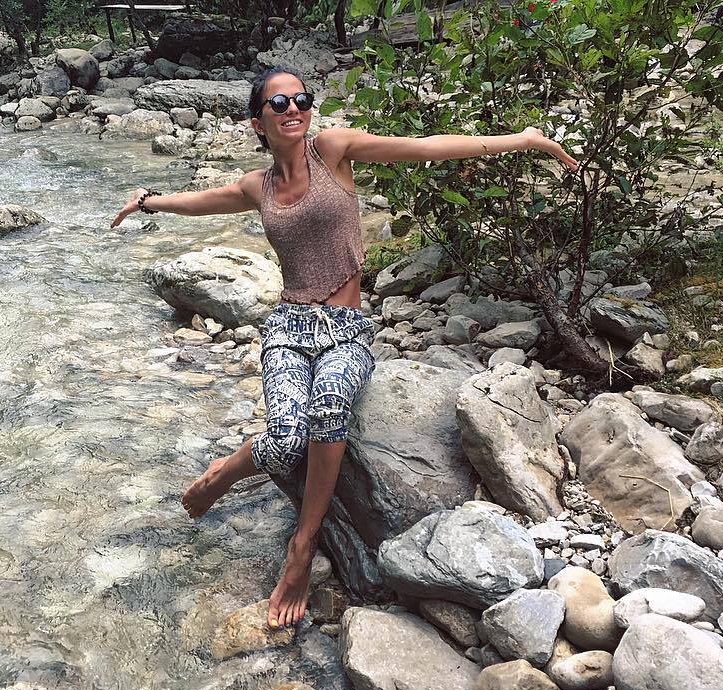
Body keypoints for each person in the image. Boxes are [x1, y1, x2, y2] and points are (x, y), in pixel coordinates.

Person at [110, 67, 578, 629]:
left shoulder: (332, 150)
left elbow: (425, 147)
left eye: (301, 99)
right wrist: (149, 202)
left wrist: (522, 140)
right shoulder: (258, 186)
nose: (293, 108)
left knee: (329, 410)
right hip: (287, 329)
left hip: (346, 329)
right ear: (258, 121)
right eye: (278, 103)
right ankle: (225, 472)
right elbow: (205, 200)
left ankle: (302, 547)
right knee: (285, 442)